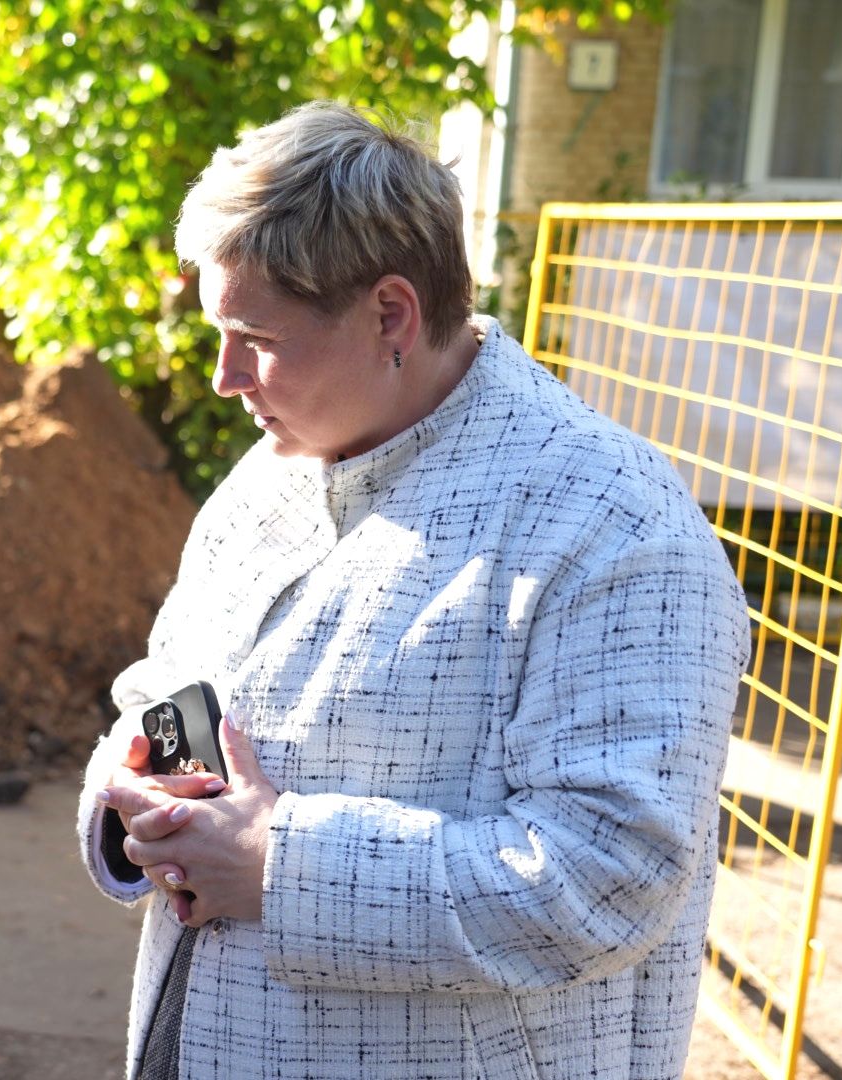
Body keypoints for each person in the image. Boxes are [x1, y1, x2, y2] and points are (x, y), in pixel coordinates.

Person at [77, 102, 750, 1080]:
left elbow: (609, 877)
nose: (224, 377)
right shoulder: (268, 477)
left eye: (251, 336)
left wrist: (277, 865)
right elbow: (161, 689)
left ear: (389, 314)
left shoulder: (607, 526)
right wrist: (130, 799)